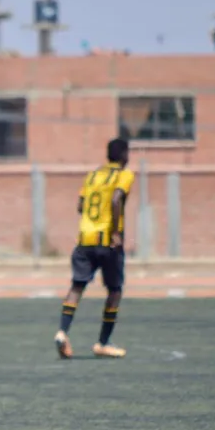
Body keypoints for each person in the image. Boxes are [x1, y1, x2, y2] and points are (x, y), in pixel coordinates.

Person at [54, 137, 134, 359]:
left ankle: (62, 332)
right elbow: (117, 198)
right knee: (115, 291)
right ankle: (103, 342)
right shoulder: (124, 175)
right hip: (108, 242)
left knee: (77, 286)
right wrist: (116, 233)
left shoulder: (92, 176)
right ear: (124, 155)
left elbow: (81, 205)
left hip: (85, 240)